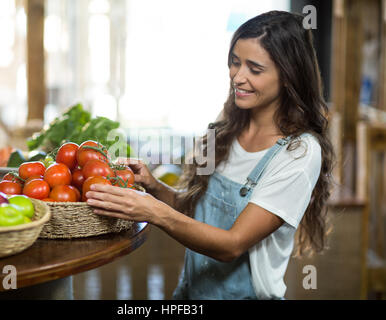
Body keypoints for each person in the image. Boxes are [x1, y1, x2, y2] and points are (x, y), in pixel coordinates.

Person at [85, 10, 336, 300]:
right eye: (235, 62)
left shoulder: (300, 152)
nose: (238, 77)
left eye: (254, 69)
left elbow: (232, 245)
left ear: (288, 75)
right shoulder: (227, 126)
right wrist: (153, 187)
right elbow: (197, 212)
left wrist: (152, 212)